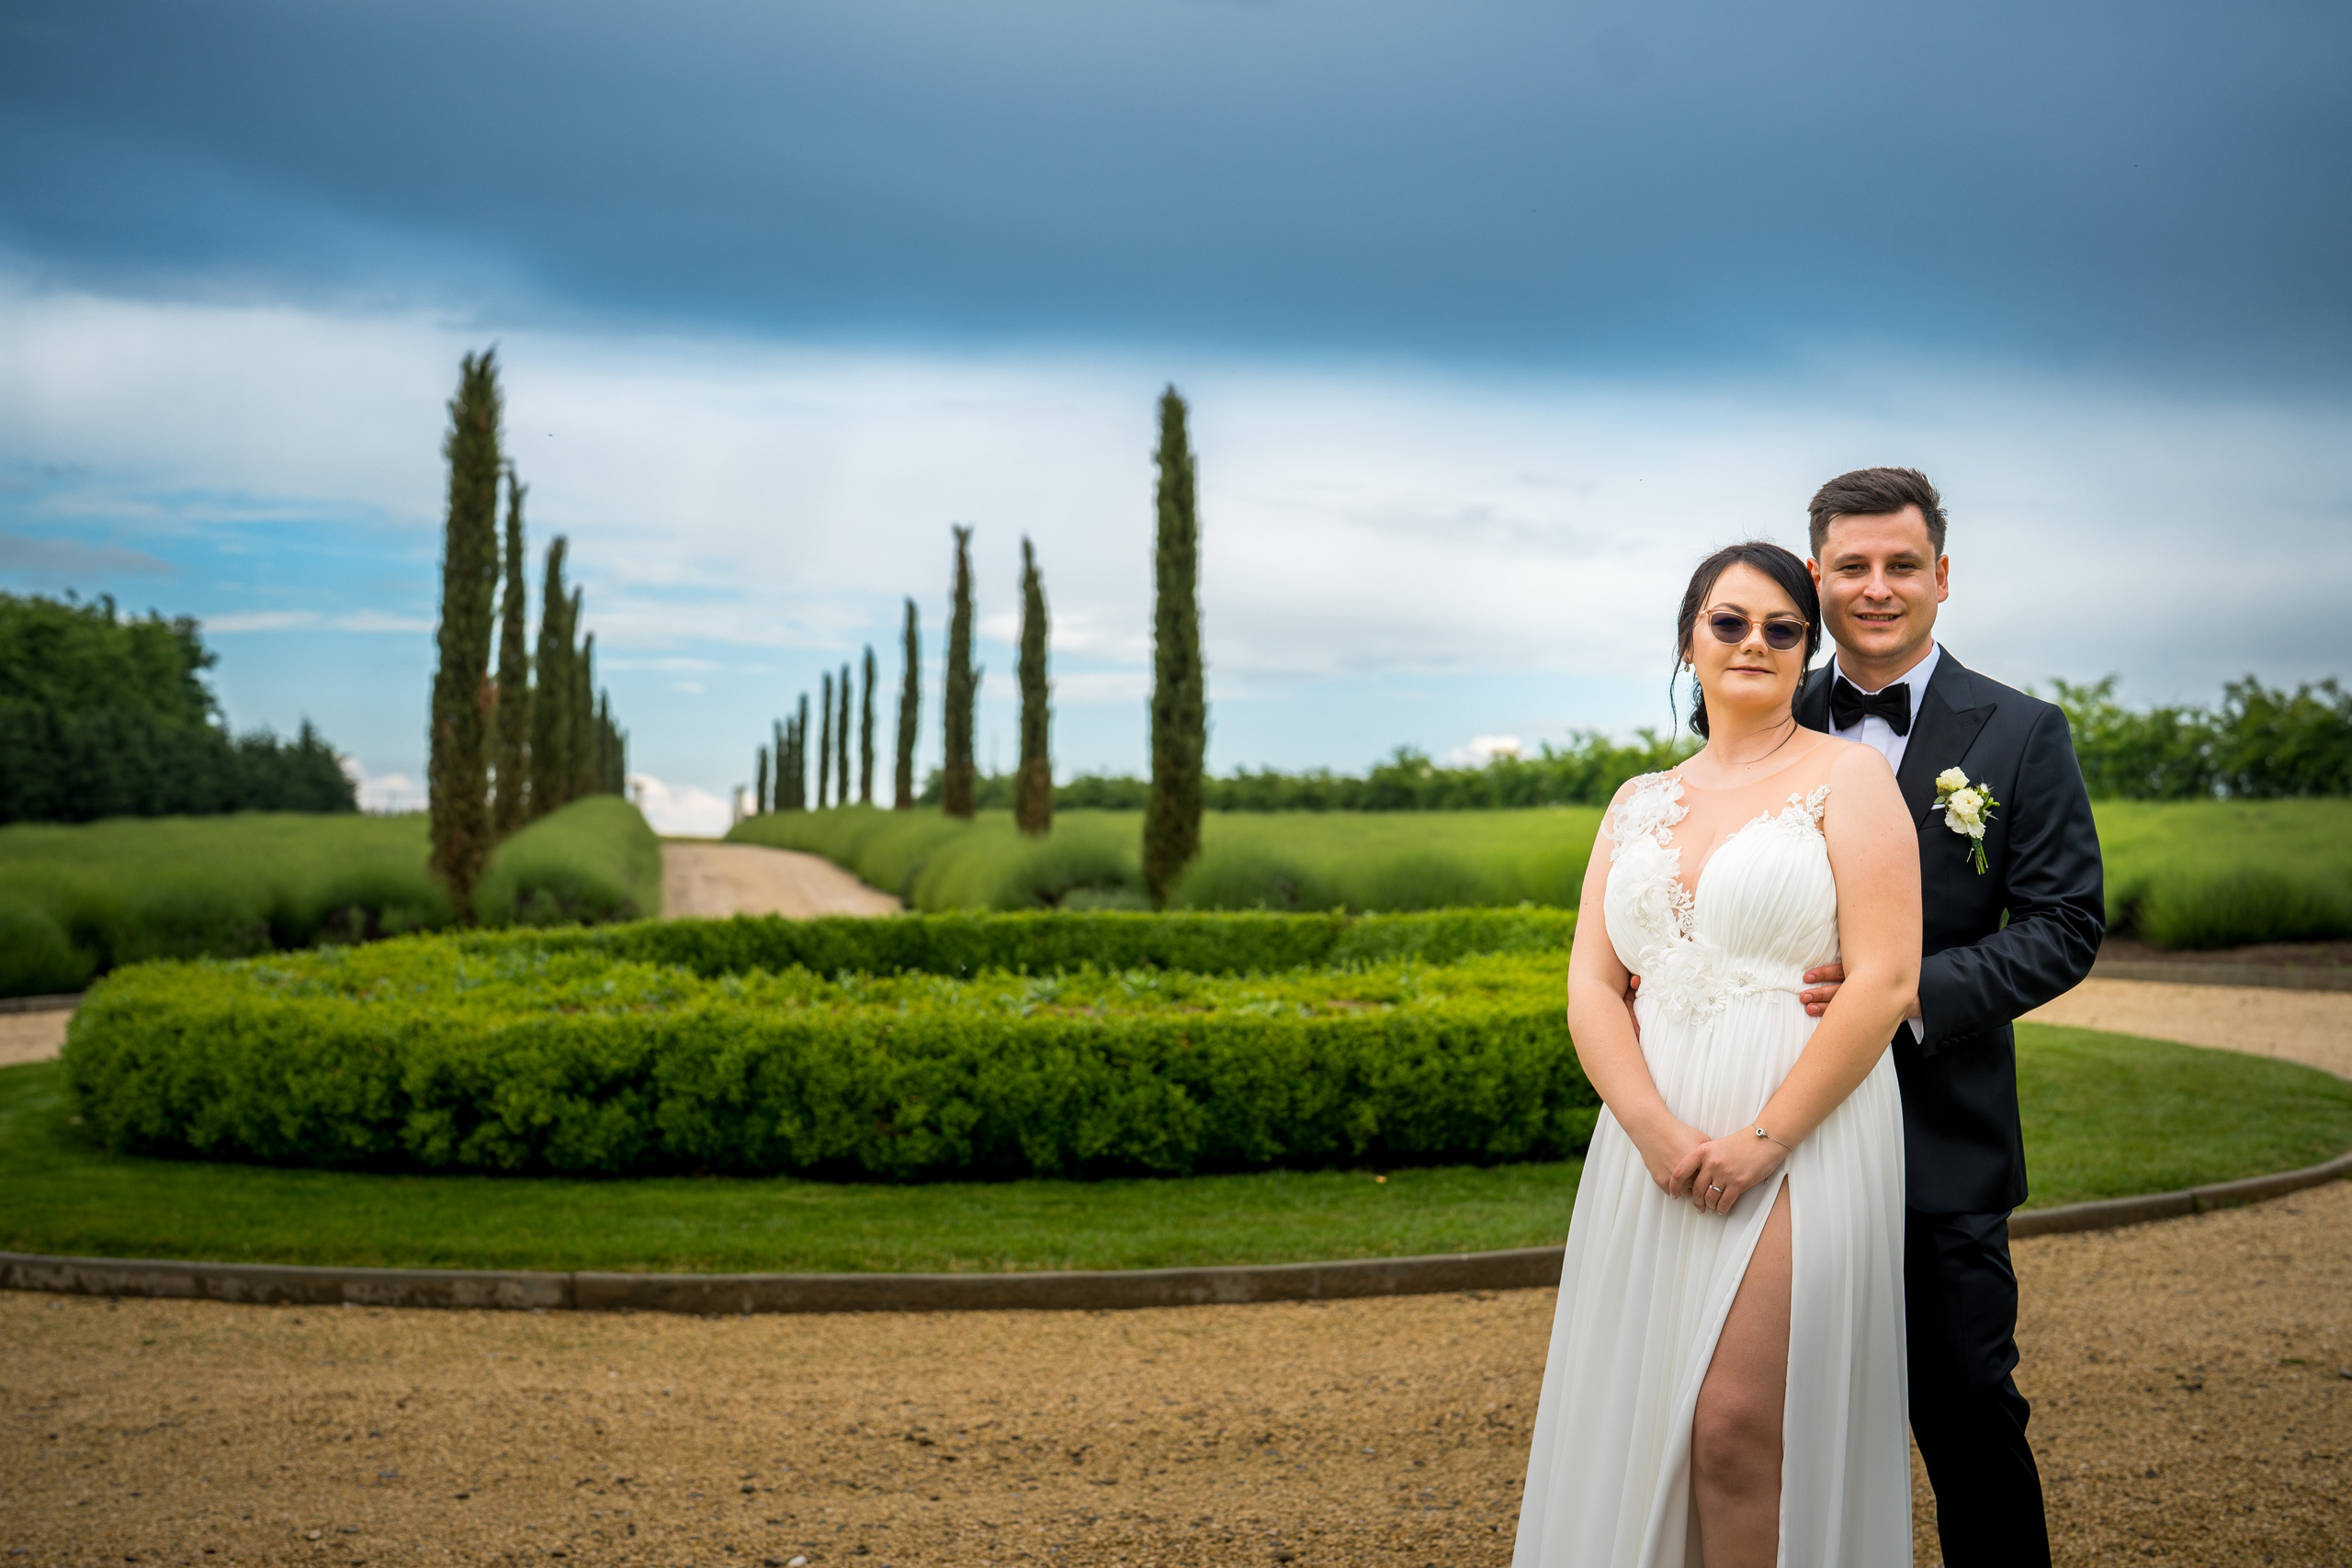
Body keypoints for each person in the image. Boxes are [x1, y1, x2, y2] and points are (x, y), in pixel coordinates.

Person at [1513, 540, 1921, 1568]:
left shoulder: (1850, 778)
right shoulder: (1635, 801)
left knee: (1733, 1428)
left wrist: (1762, 1139)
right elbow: (1592, 986)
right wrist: (1651, 1128)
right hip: (1650, 1137)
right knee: (1644, 1421)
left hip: (1800, 1128)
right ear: (1689, 641)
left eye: (1784, 628)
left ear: (1806, 652)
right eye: (1729, 622)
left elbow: (1883, 983)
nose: (1755, 642)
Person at [1791, 468, 2104, 1567]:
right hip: (1772, 1115)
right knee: (1768, 1423)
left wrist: (1906, 991)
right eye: (1854, 567)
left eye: (1902, 566)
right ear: (1818, 573)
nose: (1877, 589)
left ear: (1942, 576)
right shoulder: (1761, 708)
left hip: (1942, 1139)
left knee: (1969, 1416)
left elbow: (2066, 922)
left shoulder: (2021, 733)